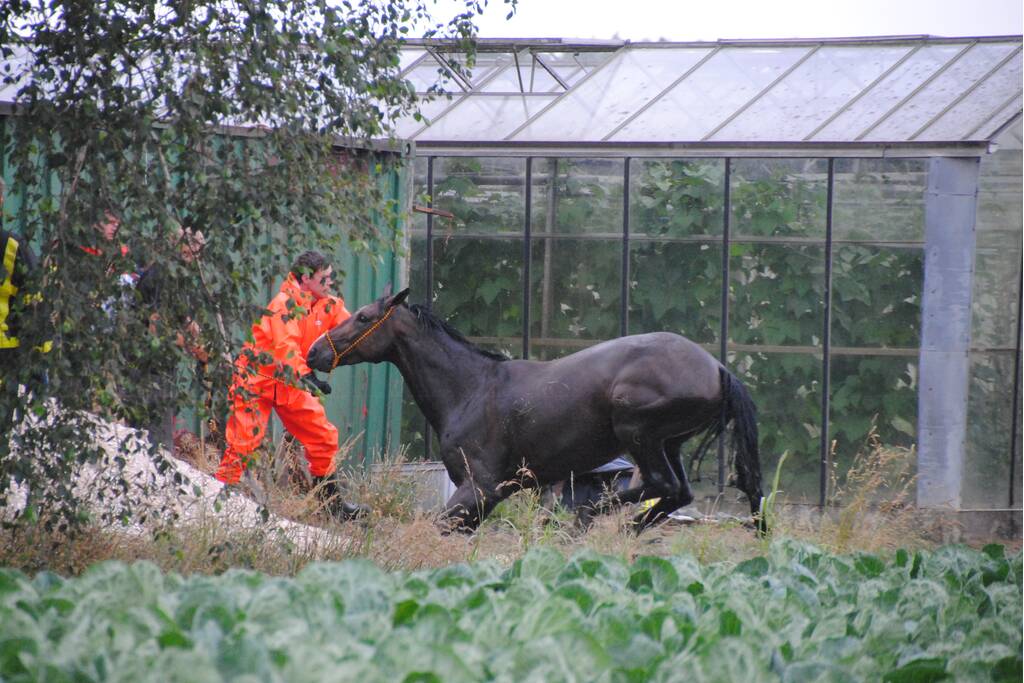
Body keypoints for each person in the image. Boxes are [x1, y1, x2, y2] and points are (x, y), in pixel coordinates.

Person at [214, 250, 366, 520]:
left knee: (322, 437)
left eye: (330, 278)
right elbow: (286, 347)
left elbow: (354, 328)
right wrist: (307, 377)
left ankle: (332, 508)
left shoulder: (328, 305)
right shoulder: (283, 304)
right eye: (324, 278)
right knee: (242, 443)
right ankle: (221, 503)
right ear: (306, 278)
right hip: (255, 382)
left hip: (289, 384)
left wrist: (382, 327)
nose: (329, 282)